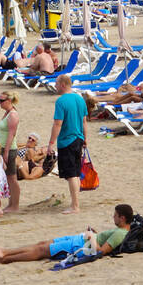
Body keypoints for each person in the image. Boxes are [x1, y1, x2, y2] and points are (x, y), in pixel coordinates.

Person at [0, 205, 133, 264]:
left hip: (80, 245)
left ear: (122, 218)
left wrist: (91, 236)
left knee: (41, 251)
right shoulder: (121, 230)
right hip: (81, 240)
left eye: (115, 216)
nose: (113, 217)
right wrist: (93, 234)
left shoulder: (120, 233)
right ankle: (4, 252)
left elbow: (101, 252)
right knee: (41, 244)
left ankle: (5, 259)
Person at [48, 74, 89, 215]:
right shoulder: (79, 98)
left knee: (71, 174)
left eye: (56, 83)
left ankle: (75, 206)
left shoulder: (61, 101)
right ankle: (75, 202)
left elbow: (57, 124)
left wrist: (51, 143)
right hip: (78, 138)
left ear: (63, 85)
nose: (55, 86)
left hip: (67, 140)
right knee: (76, 172)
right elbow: (84, 121)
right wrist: (85, 138)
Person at [0, 90, 20, 214]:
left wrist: (5, 152)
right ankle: (11, 204)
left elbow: (12, 134)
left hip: (9, 149)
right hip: (4, 147)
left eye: (1, 101)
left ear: (9, 101)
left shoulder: (13, 115)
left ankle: (15, 205)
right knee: (9, 178)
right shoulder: (7, 113)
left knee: (12, 178)